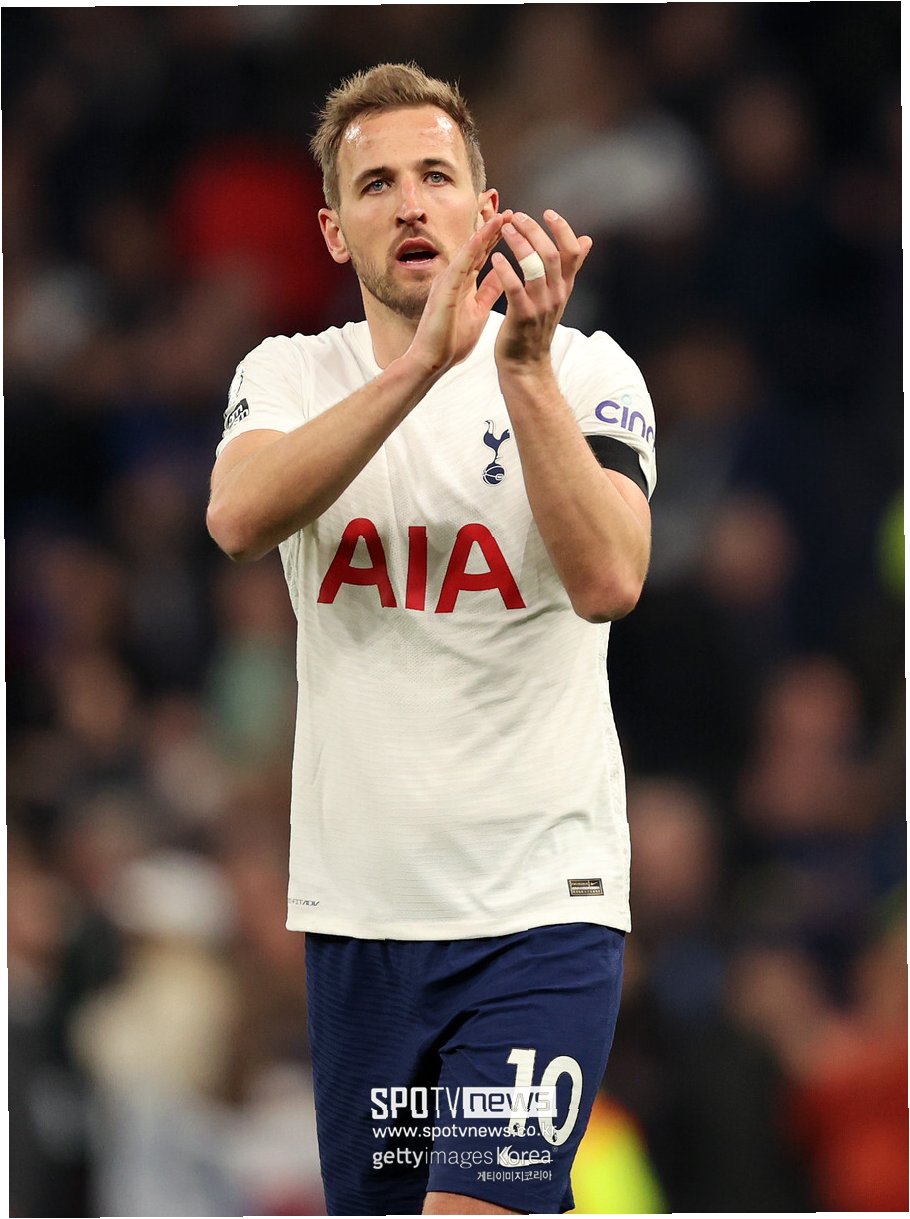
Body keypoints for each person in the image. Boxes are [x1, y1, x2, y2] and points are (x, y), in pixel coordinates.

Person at [207, 62, 656, 1217]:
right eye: (376, 185)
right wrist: (418, 369)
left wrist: (521, 371)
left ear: (484, 206)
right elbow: (238, 518)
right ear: (333, 228)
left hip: (537, 910)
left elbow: (610, 577)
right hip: (361, 920)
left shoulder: (585, 370)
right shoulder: (288, 374)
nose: (410, 203)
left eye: (435, 176)